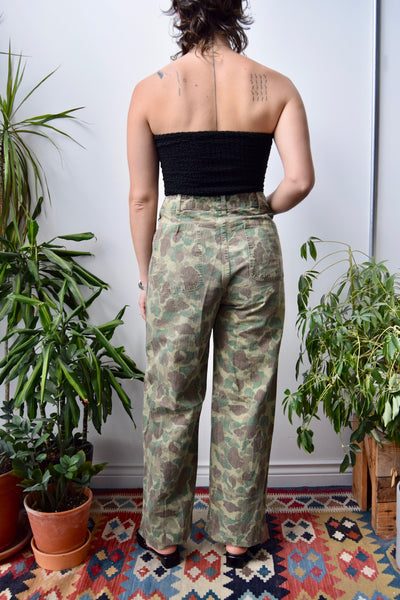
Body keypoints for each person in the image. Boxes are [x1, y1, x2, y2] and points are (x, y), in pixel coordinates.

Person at [127, 0, 314, 570]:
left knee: (171, 394)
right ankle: (238, 533)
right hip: (254, 247)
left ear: (181, 12)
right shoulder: (276, 86)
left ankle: (164, 534)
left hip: (179, 252)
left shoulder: (149, 90)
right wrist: (256, 212)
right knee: (247, 394)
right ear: (235, 10)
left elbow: (142, 199)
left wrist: (147, 278)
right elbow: (300, 180)